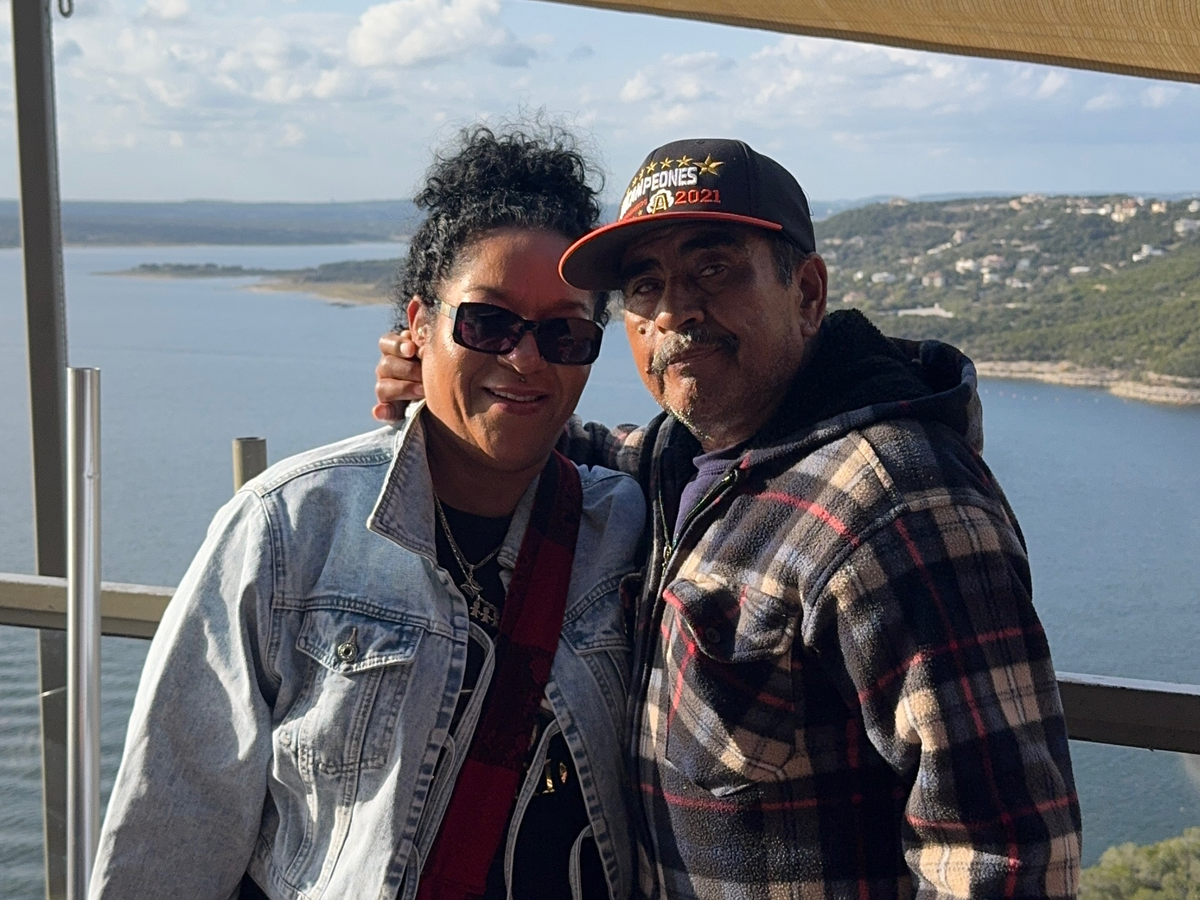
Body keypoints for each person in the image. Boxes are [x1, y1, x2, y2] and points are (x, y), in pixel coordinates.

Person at [374, 138, 1083, 899]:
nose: (672, 310)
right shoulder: (685, 463)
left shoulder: (898, 503)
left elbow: (1005, 860)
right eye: (645, 285)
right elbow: (568, 447)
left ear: (806, 293)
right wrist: (447, 381)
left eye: (713, 269)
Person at [91, 125, 646, 900]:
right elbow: (172, 839)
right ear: (418, 327)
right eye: (487, 323)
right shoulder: (289, 530)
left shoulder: (626, 525)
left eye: (565, 333)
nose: (525, 358)